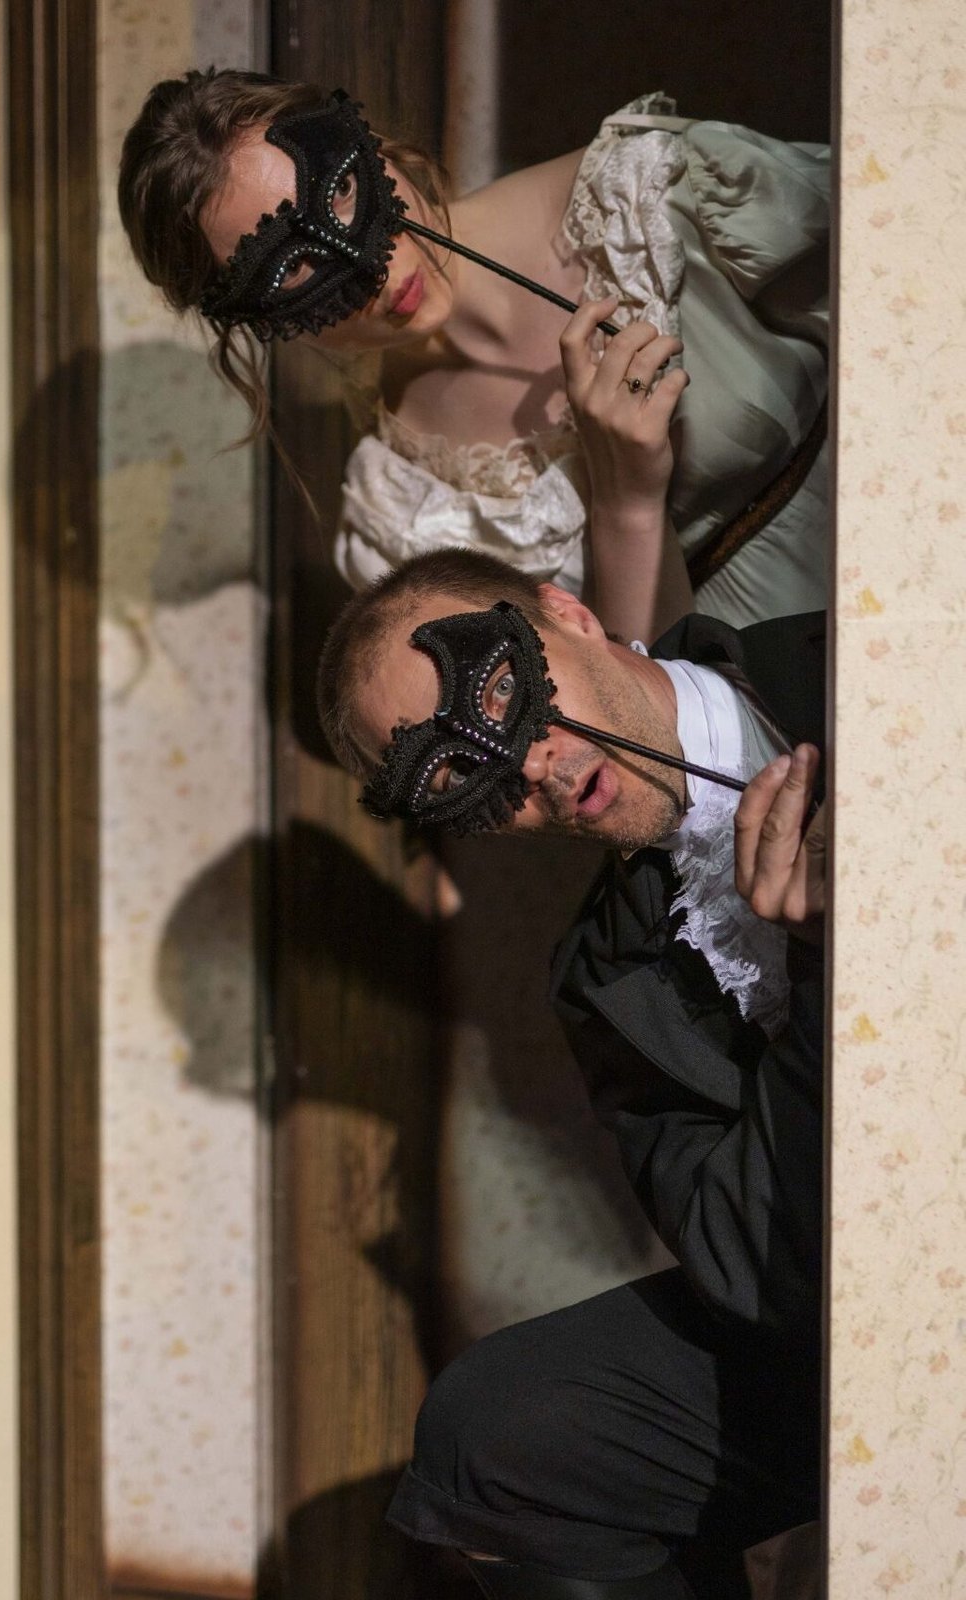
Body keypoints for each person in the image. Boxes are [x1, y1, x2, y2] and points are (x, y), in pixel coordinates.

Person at [313, 546, 826, 1598]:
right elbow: (752, 1268)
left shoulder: (852, 664)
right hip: (843, 1294)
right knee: (503, 1434)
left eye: (503, 693)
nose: (531, 769)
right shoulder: (608, 981)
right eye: (458, 780)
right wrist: (826, 973)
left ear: (568, 613)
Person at [118, 70, 828, 644]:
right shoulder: (408, 518)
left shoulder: (653, 195)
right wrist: (625, 501)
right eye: (292, 269)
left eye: (340, 191)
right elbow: (635, 728)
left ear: (372, 146)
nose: (373, 272)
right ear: (259, 322)